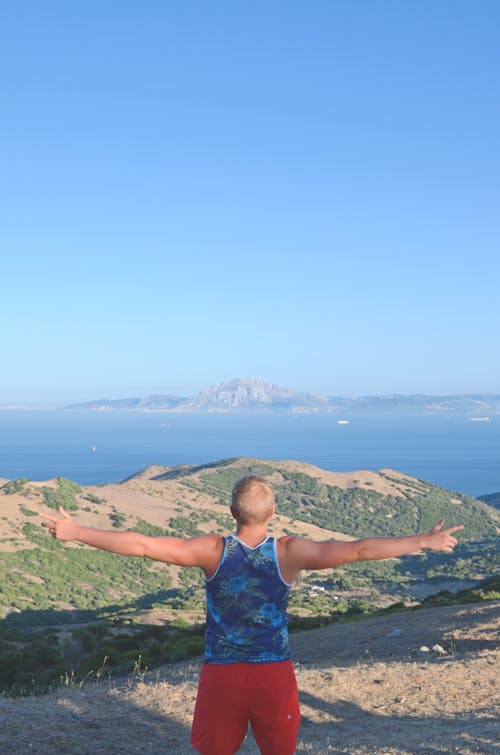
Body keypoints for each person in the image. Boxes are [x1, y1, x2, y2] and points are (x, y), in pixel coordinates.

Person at [41, 475, 463, 755]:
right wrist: (422, 541)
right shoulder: (288, 552)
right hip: (273, 675)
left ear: (232, 513)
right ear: (272, 513)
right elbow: (360, 549)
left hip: (221, 674)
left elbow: (144, 545)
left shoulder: (212, 550)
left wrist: (77, 531)